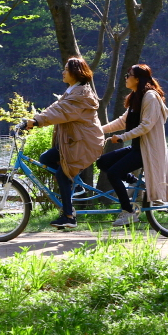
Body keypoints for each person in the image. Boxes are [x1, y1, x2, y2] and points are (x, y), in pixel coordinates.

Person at [23, 57, 105, 229]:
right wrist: (34, 120)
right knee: (46, 158)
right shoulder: (72, 91)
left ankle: (69, 216)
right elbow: (55, 108)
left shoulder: (81, 95)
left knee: (62, 174)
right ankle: (73, 186)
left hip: (84, 142)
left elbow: (61, 111)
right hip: (73, 141)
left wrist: (36, 122)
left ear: (75, 73)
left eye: (66, 69)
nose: (63, 72)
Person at [99, 64, 168, 227]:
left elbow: (146, 125)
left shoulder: (150, 97)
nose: (126, 78)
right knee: (102, 162)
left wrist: (122, 137)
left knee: (113, 173)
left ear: (137, 79)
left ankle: (128, 212)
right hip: (138, 148)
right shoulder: (136, 97)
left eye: (128, 75)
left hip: (148, 150)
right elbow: (123, 121)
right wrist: (99, 131)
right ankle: (139, 185)